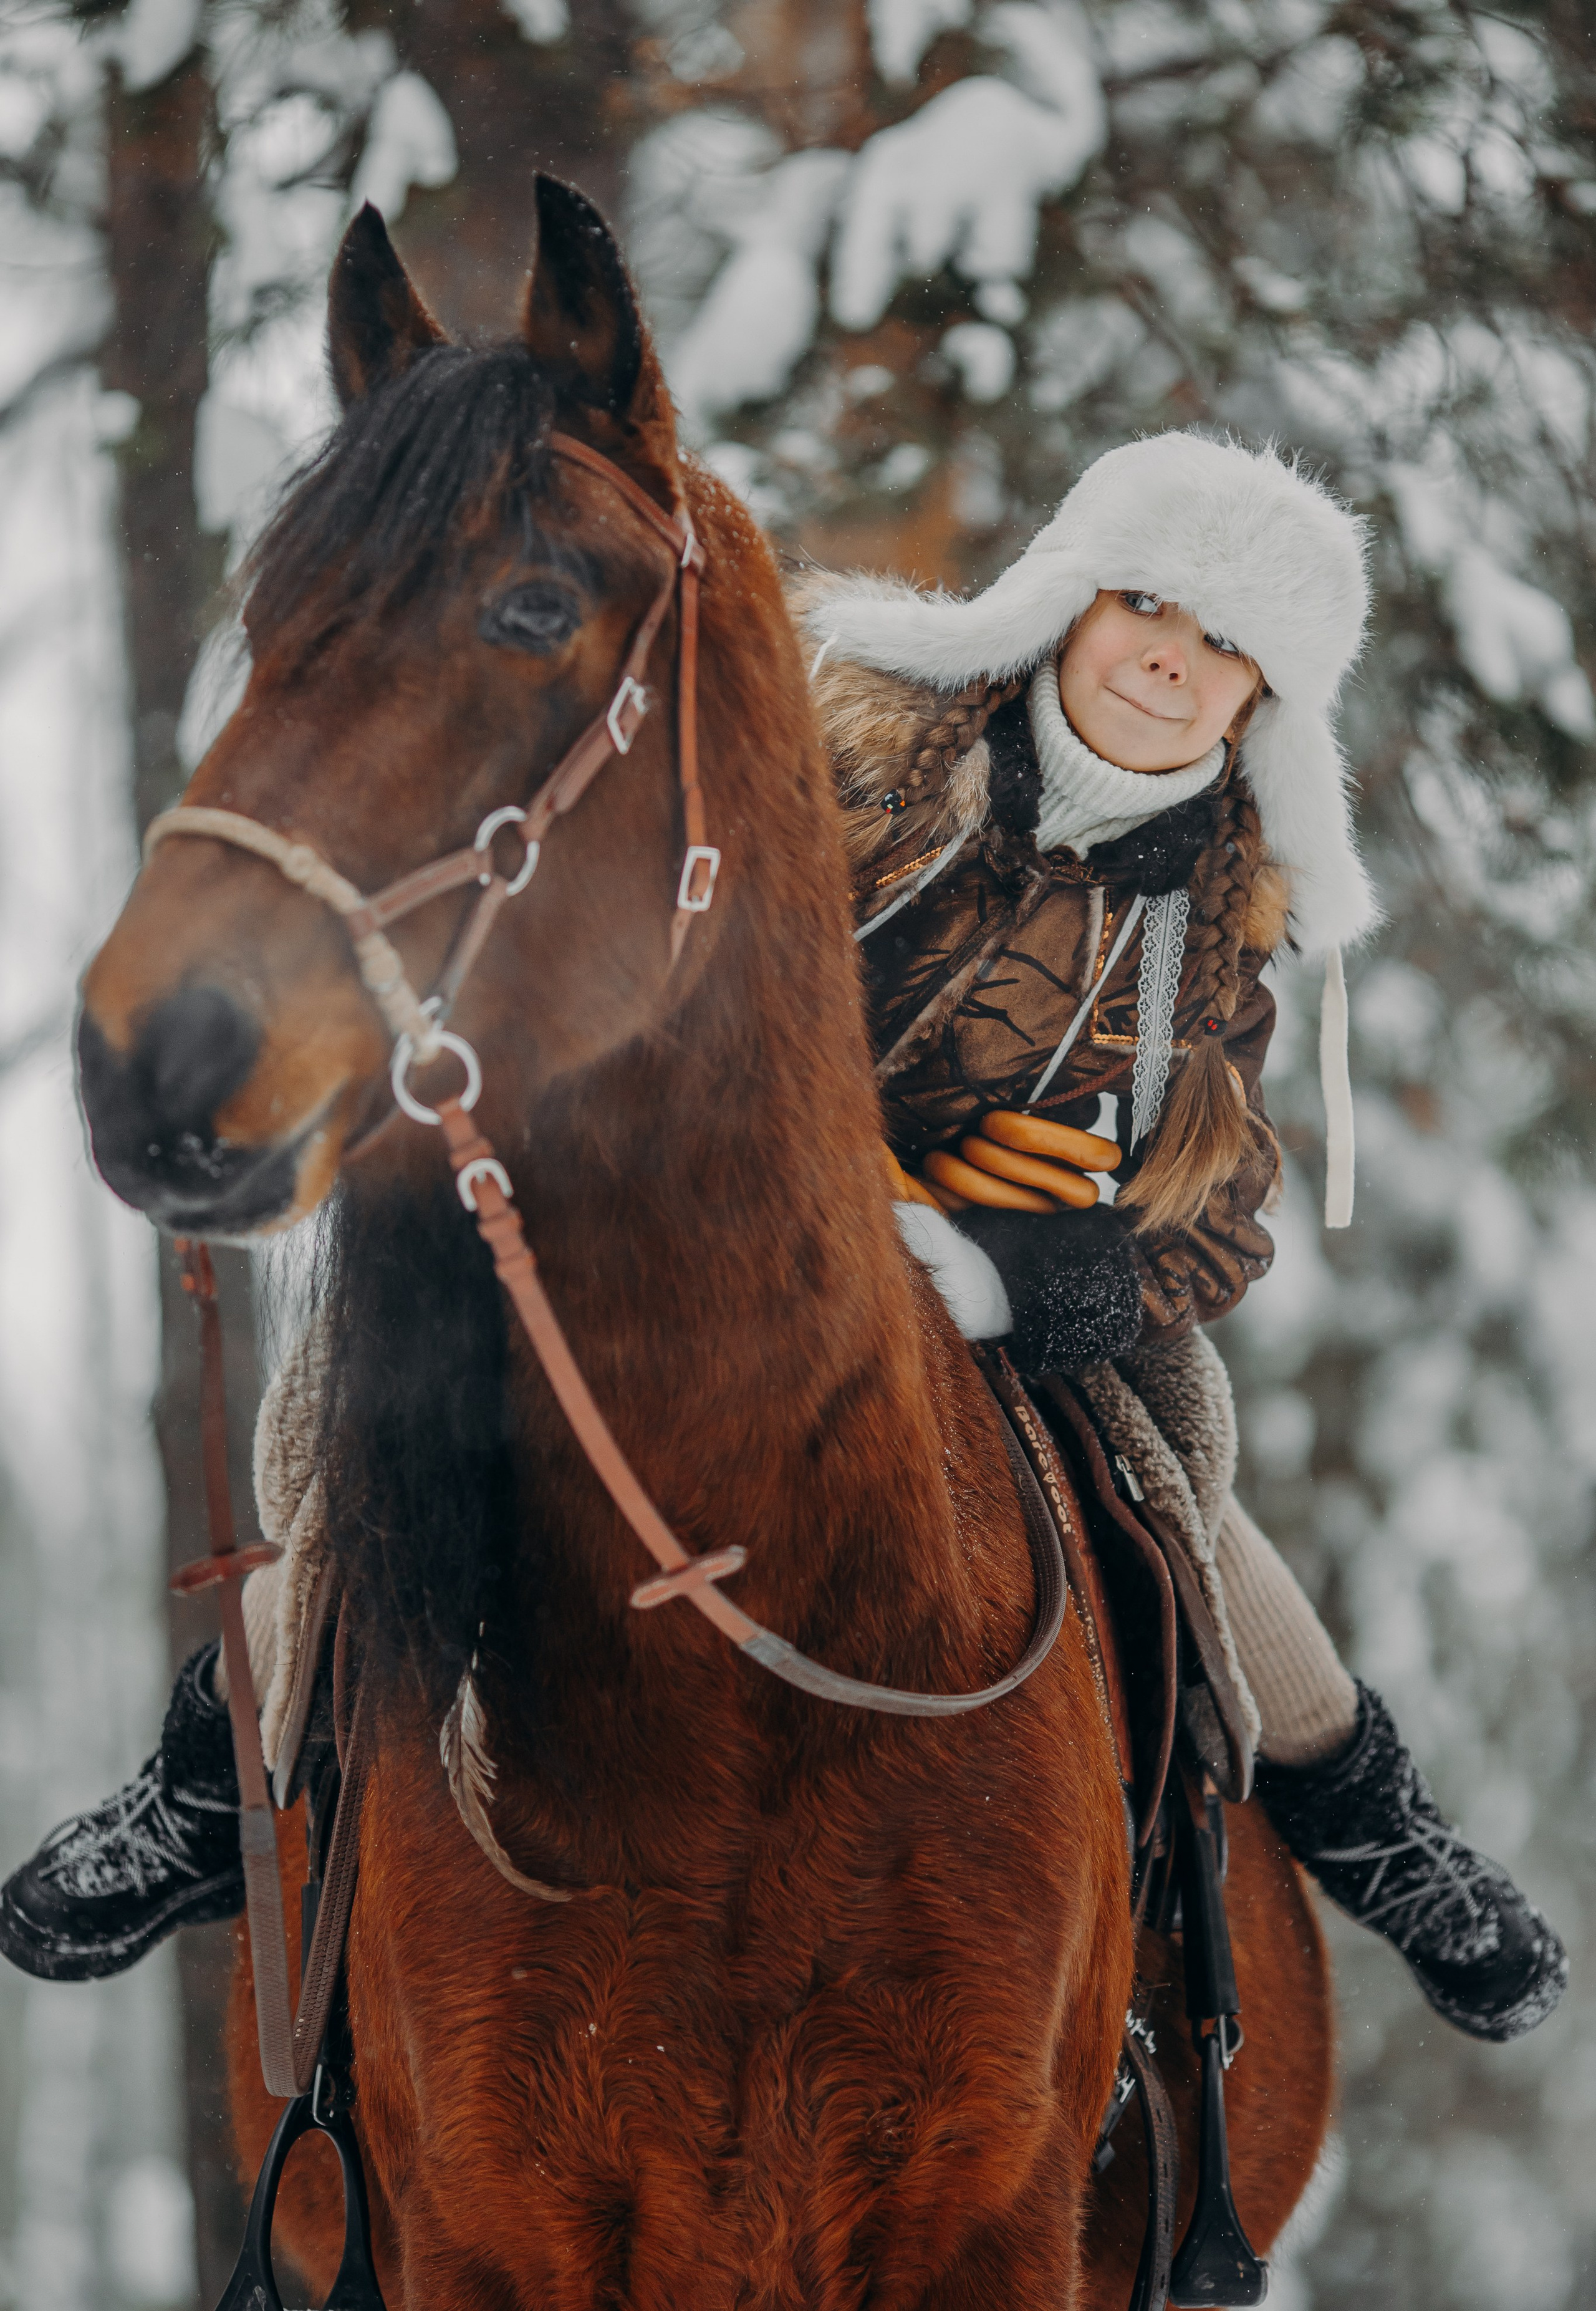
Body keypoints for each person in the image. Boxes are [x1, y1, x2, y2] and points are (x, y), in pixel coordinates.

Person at [0, 434, 1566, 2047]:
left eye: (1227, 641)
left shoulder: (1224, 920)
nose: (1171, 657)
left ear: (1260, 704)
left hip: (993, 1290)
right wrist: (815, 1170)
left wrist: (1008, 1268)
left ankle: (1373, 1825)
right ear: (1067, 599)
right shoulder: (853, 738)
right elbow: (668, 952)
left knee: (1180, 1478)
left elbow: (1213, 1223)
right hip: (703, 1216)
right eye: (1147, 602)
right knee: (397, 1413)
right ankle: (206, 1785)